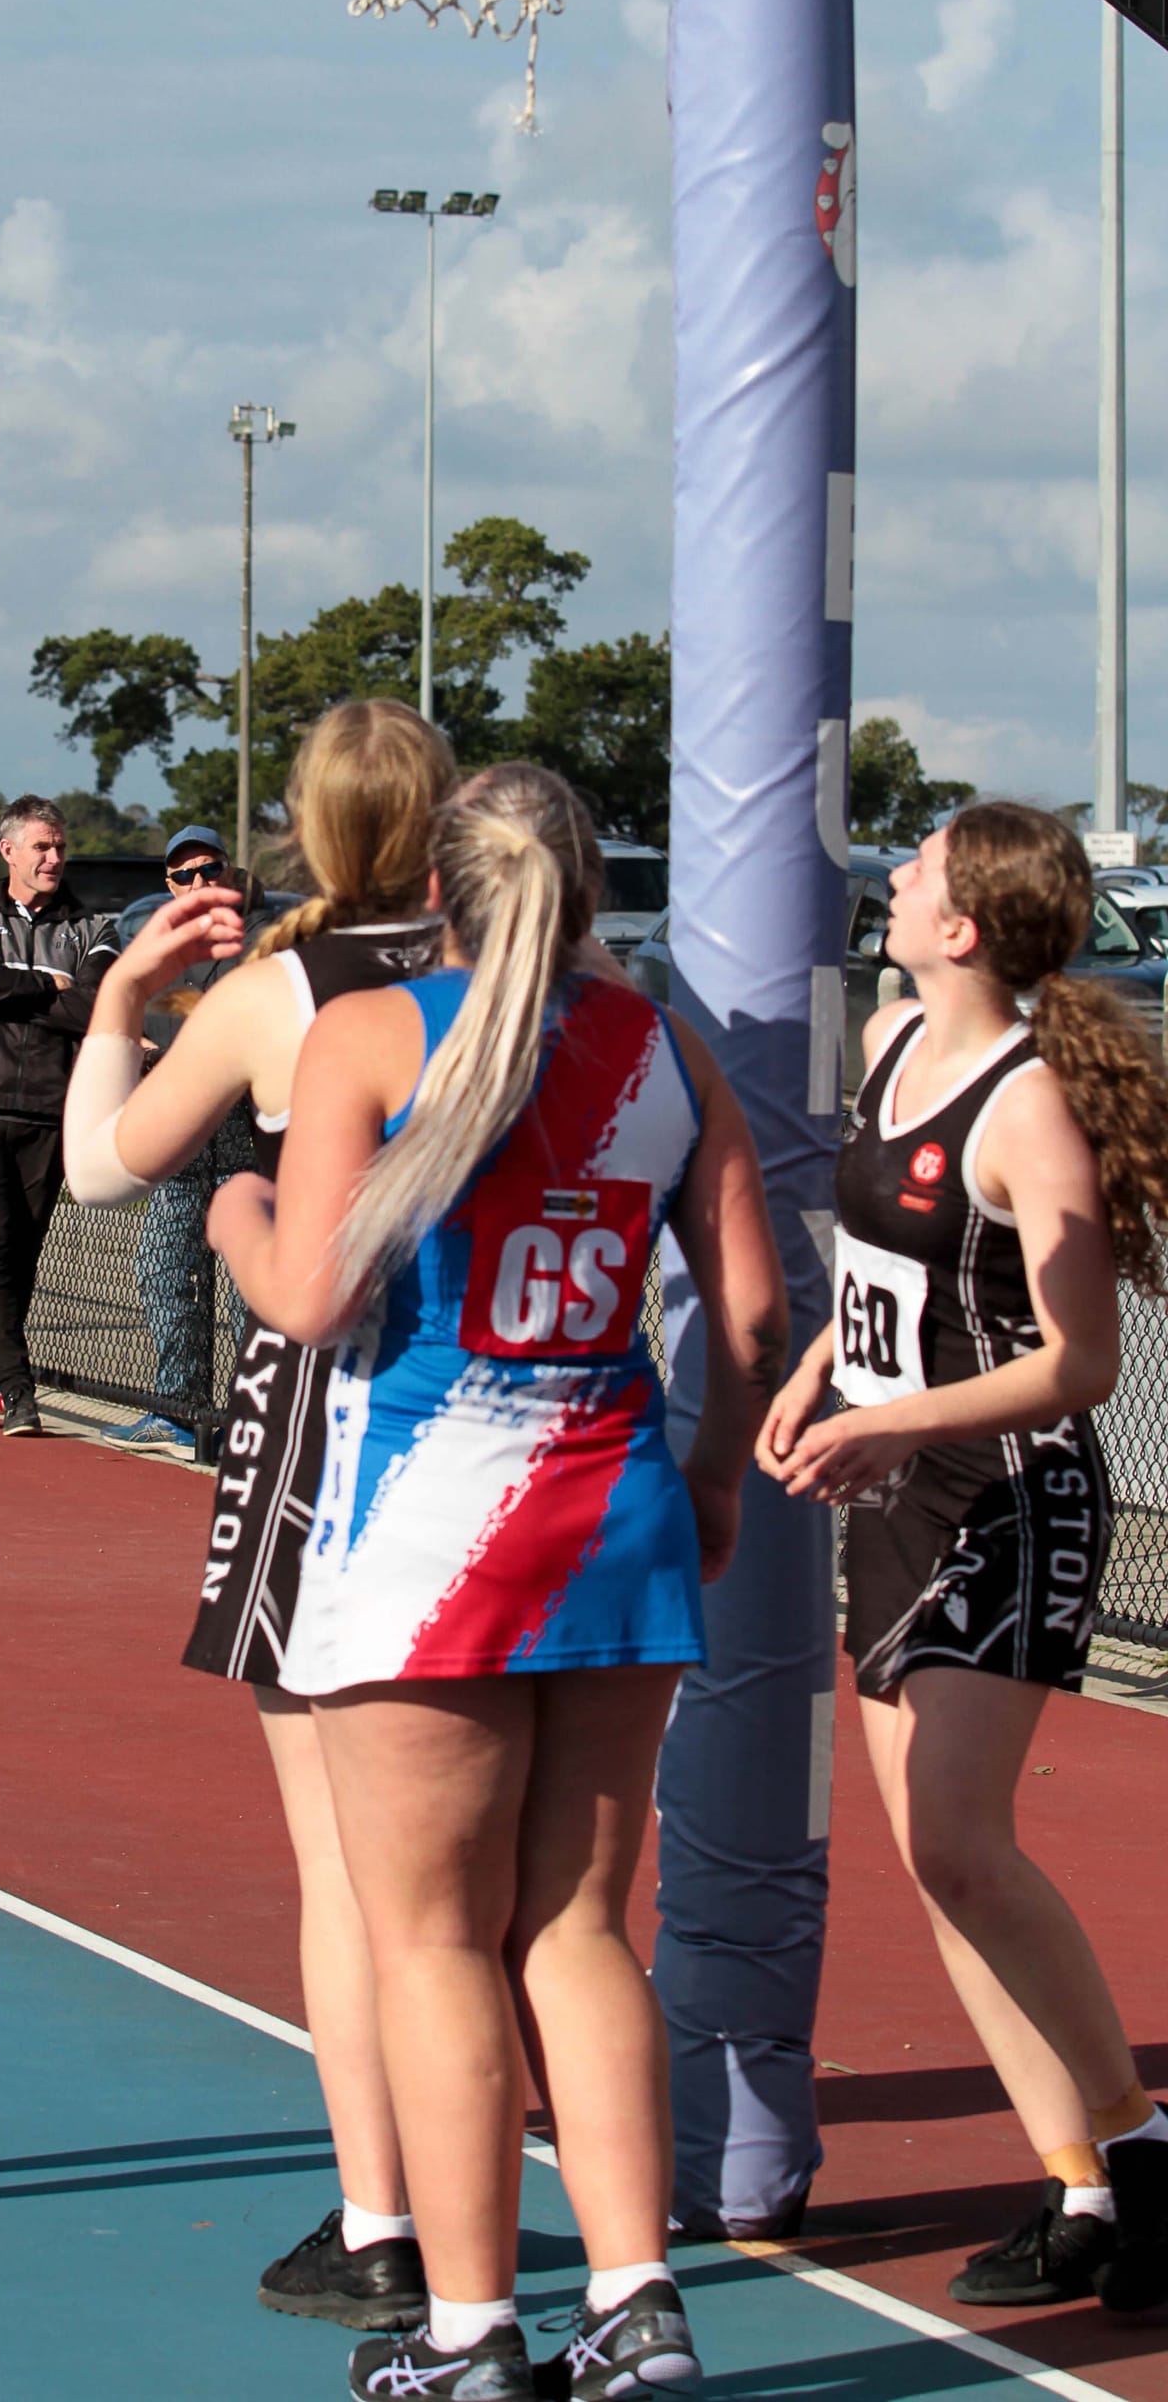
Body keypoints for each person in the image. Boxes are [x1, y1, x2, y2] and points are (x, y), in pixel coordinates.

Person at [205, 763, 787, 2402]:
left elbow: (312, 1299)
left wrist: (240, 1218)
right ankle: (638, 2301)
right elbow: (746, 1322)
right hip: (611, 1519)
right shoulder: (665, 1050)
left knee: (436, 1944)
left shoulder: (376, 1036)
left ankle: (469, 2334)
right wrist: (719, 1474)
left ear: (438, 892)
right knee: (585, 1929)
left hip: (427, 1539)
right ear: (593, 891)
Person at [66, 700, 456, 2327]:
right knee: (507, 1884)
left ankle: (385, 2214)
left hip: (335, 1420)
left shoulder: (279, 999)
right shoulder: (539, 983)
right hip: (531, 1417)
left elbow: (99, 1164)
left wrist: (122, 998)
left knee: (350, 1863)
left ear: (306, 828)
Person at [758, 803, 1168, 2320]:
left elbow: (1080, 1361)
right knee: (942, 1870)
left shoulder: (1028, 1105)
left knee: (962, 1845)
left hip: (1008, 1493)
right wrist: (820, 1375)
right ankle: (1082, 2188)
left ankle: (1140, 2148)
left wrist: (896, 1419)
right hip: (894, 1480)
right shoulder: (887, 1045)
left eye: (920, 867)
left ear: (967, 923)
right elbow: (880, 1279)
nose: (898, 878)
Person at [0, 797, 118, 1437]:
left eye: (60, 847)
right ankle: (19, 1392)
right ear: (8, 850)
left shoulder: (93, 928)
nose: (54, 858)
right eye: (41, 846)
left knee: (21, 1260)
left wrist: (15, 981)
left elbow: (95, 1006)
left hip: (49, 1109)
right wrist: (52, 984)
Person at [122, 826, 270, 1455]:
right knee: (162, 1269)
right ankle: (176, 1408)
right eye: (184, 875)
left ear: (228, 873)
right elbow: (121, 1005)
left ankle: (247, 1417)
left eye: (209, 869)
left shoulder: (258, 940)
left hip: (242, 1145)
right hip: (179, 1141)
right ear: (169, 886)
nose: (199, 883)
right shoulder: (158, 947)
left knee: (245, 1289)